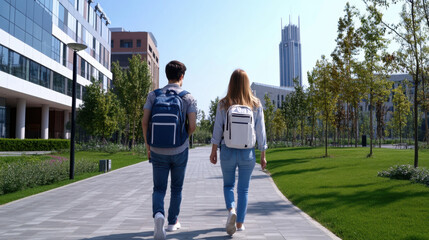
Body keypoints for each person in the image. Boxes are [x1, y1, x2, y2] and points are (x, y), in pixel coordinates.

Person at [142, 60, 197, 240]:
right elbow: (193, 125)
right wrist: (183, 135)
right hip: (179, 148)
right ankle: (172, 222)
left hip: (157, 148)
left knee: (159, 188)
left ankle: (159, 215)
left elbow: (144, 121)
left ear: (167, 75)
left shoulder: (153, 95)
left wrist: (148, 144)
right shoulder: (188, 97)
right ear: (182, 77)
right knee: (176, 187)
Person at [209, 69, 267, 236]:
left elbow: (217, 130)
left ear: (231, 83)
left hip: (227, 150)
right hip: (247, 152)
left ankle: (231, 210)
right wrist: (263, 155)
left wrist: (213, 151)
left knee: (228, 185)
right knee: (244, 189)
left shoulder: (223, 103)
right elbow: (261, 131)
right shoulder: (255, 104)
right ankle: (240, 224)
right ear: (247, 84)